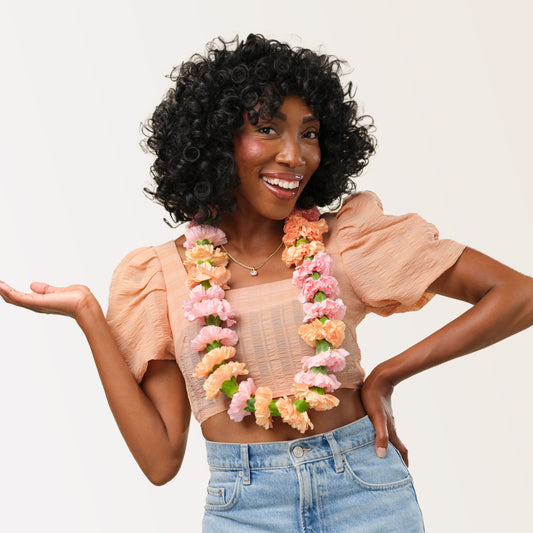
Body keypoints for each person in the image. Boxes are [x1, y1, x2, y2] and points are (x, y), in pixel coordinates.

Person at [1, 34, 532, 532]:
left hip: (367, 492)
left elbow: (519, 294)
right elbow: (160, 460)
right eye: (268, 128)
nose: (295, 155)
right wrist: (87, 314)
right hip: (244, 506)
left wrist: (386, 376)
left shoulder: (344, 242)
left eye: (310, 134)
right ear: (216, 139)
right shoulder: (158, 276)